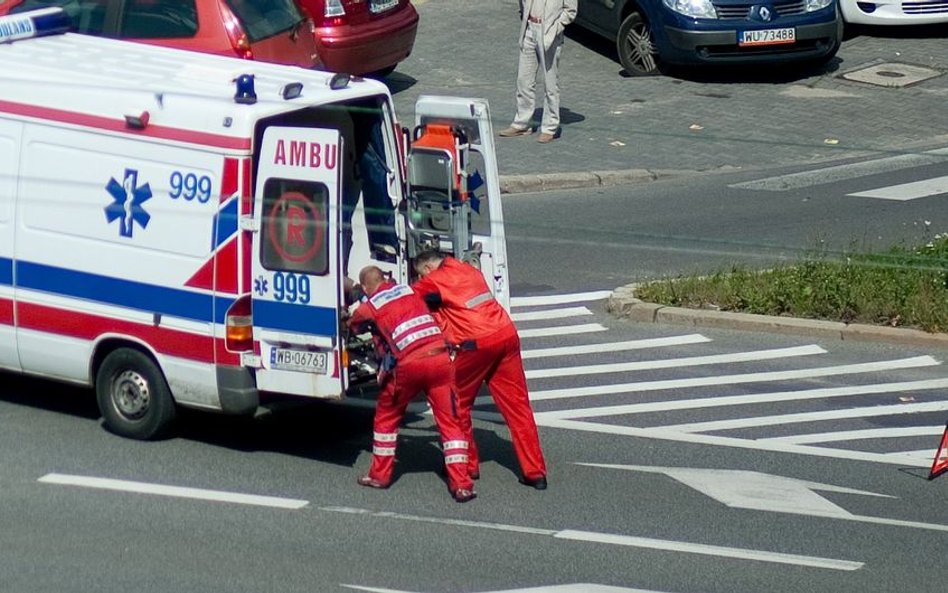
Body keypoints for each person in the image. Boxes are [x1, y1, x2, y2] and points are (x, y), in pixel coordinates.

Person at [412, 251, 548, 490]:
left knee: (457, 405)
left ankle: (467, 466)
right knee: (519, 409)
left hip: (475, 344)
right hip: (506, 334)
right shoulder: (470, 270)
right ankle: (535, 473)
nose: (420, 278)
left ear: (428, 268)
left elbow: (411, 300)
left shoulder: (435, 279)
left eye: (420, 274)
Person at [347, 265, 476, 503]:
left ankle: (380, 476)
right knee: (451, 423)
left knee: (386, 417)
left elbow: (353, 324)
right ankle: (461, 485)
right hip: (439, 358)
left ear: (365, 287)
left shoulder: (371, 305)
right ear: (385, 278)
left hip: (409, 364)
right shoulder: (408, 290)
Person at [498, 0, 578, 144]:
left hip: (549, 33)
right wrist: (524, 17)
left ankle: (549, 127)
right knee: (524, 81)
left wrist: (556, 28)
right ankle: (522, 123)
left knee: (550, 83)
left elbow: (571, 11)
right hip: (529, 29)